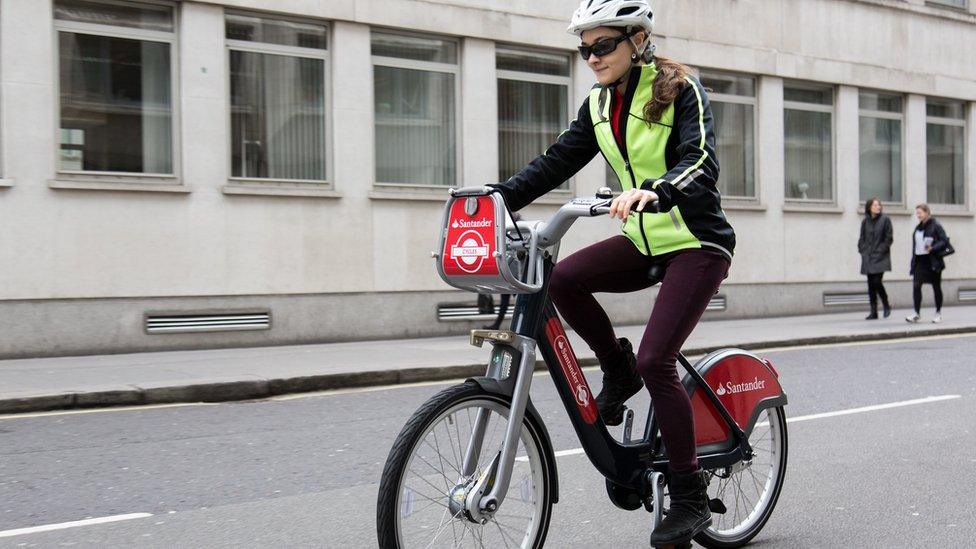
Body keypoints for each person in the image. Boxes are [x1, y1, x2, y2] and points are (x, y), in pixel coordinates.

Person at [491, 1, 734, 545]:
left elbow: (701, 160)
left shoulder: (679, 90)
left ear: (637, 41)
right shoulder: (598, 103)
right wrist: (497, 198)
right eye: (585, 48)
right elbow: (557, 161)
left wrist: (660, 189)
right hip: (644, 240)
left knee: (658, 359)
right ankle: (615, 370)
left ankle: (690, 497)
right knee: (561, 280)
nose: (592, 57)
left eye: (602, 46)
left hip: (696, 241)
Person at [907, 203, 949, 324]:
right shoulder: (918, 227)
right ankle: (916, 313)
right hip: (920, 261)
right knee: (916, 286)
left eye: (920, 213)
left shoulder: (936, 225)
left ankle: (938, 312)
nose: (918, 215)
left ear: (927, 212)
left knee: (936, 287)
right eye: (917, 213)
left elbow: (944, 241)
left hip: (933, 261)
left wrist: (933, 247)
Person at [858, 197, 893, 319]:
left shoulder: (885, 220)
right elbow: (862, 238)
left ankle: (886, 303)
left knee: (877, 282)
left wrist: (880, 251)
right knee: (870, 285)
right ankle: (874, 311)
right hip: (868, 257)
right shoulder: (865, 221)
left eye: (879, 205)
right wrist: (862, 250)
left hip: (880, 257)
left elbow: (889, 238)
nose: (877, 207)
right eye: (874, 205)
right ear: (869, 207)